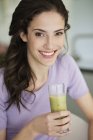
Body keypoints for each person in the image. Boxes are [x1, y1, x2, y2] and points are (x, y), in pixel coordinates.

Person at [0, 0, 93, 140]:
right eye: (40, 34)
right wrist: (34, 128)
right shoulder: (2, 82)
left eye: (58, 33)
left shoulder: (66, 65)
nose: (50, 45)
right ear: (23, 34)